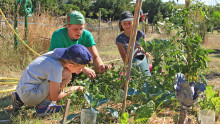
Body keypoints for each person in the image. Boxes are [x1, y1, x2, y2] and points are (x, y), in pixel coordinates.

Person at [12, 44, 91, 116]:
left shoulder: (55, 55)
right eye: (80, 68)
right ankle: (43, 107)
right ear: (70, 65)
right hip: (29, 96)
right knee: (66, 75)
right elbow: (55, 96)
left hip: (22, 89)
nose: (80, 71)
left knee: (57, 76)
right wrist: (74, 88)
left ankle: (19, 98)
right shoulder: (56, 68)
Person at [49, 10, 111, 79]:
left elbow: (95, 56)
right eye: (75, 29)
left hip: (77, 67)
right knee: (66, 74)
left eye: (81, 28)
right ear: (67, 26)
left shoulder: (86, 35)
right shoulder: (58, 35)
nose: (79, 32)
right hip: (60, 66)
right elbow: (60, 59)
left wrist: (100, 66)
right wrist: (83, 69)